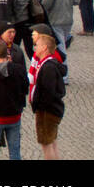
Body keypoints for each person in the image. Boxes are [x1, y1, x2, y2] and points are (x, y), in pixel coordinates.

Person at [29, 26, 66, 160]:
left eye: (37, 45)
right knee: (51, 142)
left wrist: (38, 105)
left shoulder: (48, 67)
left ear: (45, 48)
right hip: (50, 110)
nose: (35, 47)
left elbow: (48, 93)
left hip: (47, 111)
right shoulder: (49, 64)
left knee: (46, 144)